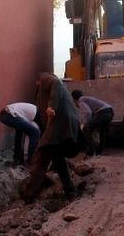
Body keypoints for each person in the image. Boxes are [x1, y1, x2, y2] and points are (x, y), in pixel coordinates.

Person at [22, 73, 84, 203]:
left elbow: (56, 83)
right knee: (58, 159)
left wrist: (51, 106)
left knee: (41, 158)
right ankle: (70, 192)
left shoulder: (45, 78)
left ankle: (28, 196)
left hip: (59, 126)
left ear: (37, 82)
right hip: (63, 126)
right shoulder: (50, 93)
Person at [71, 90, 114, 156]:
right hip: (109, 112)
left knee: (86, 128)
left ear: (74, 99)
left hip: (103, 112)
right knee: (102, 133)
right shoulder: (86, 99)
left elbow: (87, 113)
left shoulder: (81, 100)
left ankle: (90, 152)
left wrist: (84, 124)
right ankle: (98, 153)